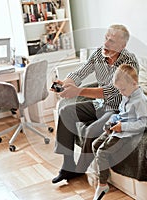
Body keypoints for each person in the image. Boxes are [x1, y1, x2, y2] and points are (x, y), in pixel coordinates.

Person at [51, 24, 140, 184]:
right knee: (65, 111)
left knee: (91, 130)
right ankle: (67, 165)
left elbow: (111, 91)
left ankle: (79, 170)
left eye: (111, 41)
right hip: (100, 104)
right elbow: (81, 72)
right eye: (106, 38)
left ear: (122, 45)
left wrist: (77, 91)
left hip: (119, 110)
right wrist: (65, 83)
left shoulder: (128, 62)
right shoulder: (100, 53)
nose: (106, 43)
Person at [92, 64, 147, 200]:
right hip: (118, 128)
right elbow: (120, 113)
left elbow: (144, 123)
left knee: (102, 152)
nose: (121, 92)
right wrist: (112, 122)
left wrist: (123, 127)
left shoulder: (141, 101)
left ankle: (102, 185)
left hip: (127, 133)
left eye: (123, 89)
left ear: (134, 83)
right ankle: (102, 177)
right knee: (95, 144)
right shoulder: (126, 95)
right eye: (119, 89)